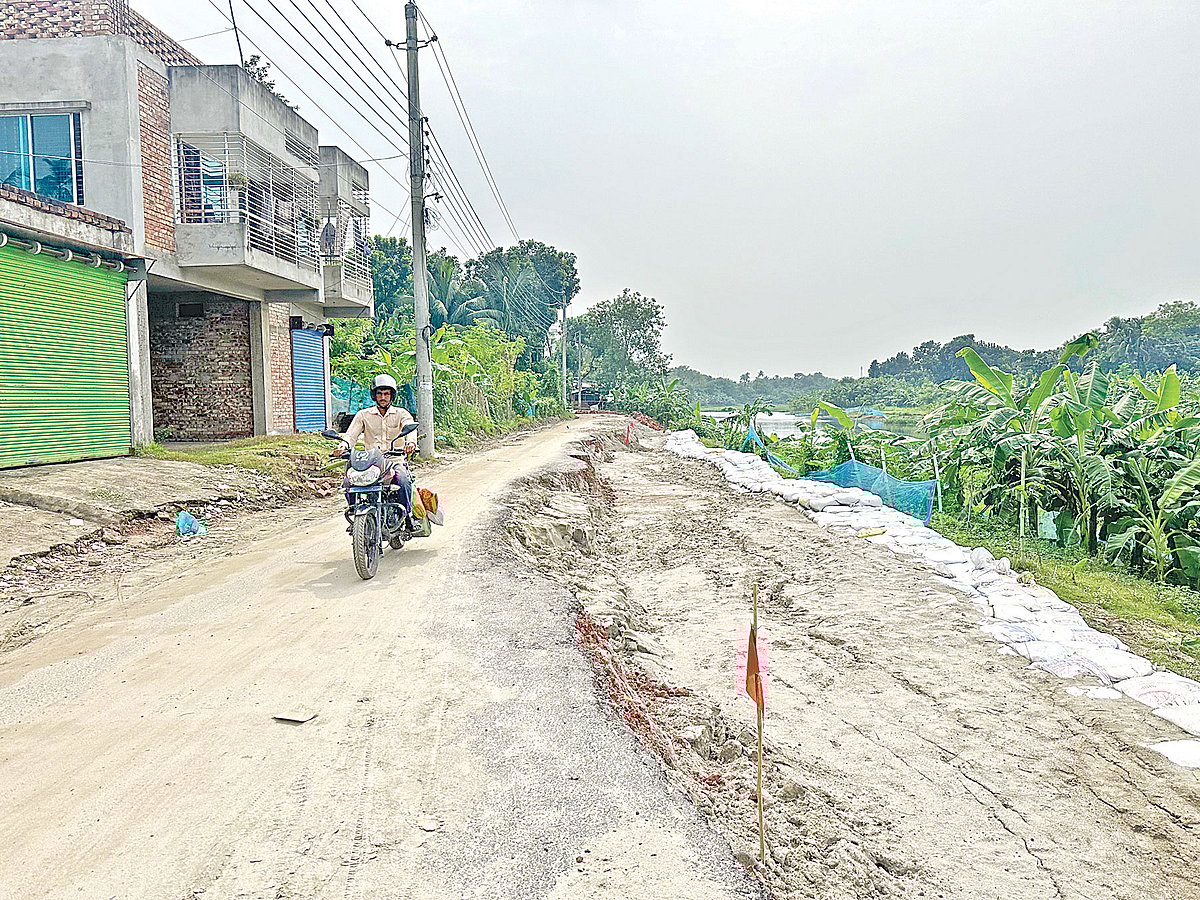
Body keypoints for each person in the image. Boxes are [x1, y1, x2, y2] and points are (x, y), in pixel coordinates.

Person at [337, 374, 418, 524]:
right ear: (374, 395)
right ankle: (357, 516)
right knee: (348, 482)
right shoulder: (363, 415)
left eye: (386, 394)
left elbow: (410, 428)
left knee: (403, 479)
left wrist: (411, 443)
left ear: (391, 396)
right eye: (379, 393)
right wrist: (343, 446)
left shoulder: (401, 413)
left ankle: (407, 516)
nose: (383, 397)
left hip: (394, 459)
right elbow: (351, 434)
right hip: (371, 461)